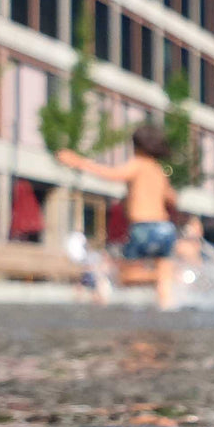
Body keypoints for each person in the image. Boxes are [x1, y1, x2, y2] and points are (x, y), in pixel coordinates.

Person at [56, 126, 178, 310]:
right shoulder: (158, 170)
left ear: (136, 145)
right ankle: (166, 305)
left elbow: (112, 174)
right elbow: (172, 198)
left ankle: (160, 278)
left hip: (144, 227)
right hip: (165, 228)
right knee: (163, 278)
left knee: (123, 276)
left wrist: (78, 162)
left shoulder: (138, 163)